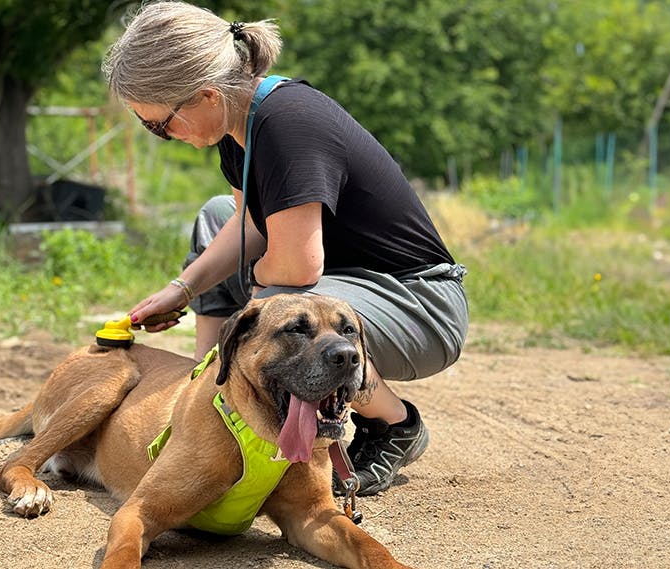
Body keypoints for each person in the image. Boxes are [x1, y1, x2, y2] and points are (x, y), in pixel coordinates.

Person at [103, 0, 468, 496]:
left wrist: (251, 301)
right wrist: (183, 289)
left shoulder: (288, 123)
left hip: (420, 304)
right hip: (351, 287)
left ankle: (393, 424)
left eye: (159, 123)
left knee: (281, 304)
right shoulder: (238, 130)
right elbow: (247, 224)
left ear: (205, 95)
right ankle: (209, 391)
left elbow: (298, 265)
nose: (164, 135)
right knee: (217, 218)